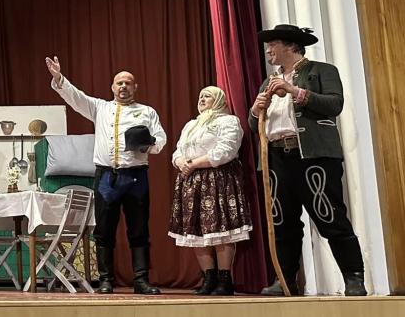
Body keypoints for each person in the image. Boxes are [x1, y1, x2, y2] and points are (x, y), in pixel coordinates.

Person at [249, 24, 366, 296]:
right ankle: (285, 280)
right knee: (282, 222)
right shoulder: (268, 82)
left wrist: (294, 91)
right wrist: (255, 110)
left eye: (273, 44)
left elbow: (334, 105)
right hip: (277, 157)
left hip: (313, 156)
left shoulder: (322, 71)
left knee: (330, 216)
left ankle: (353, 277)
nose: (268, 49)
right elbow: (254, 125)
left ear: (291, 45)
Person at [45, 56, 166, 295]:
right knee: (104, 230)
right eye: (119, 83)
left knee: (139, 229)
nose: (123, 86)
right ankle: (106, 280)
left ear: (135, 87)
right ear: (112, 87)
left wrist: (149, 144)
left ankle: (141, 280)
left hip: (136, 177)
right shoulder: (100, 107)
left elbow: (161, 138)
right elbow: (76, 97)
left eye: (128, 83)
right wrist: (59, 77)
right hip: (106, 178)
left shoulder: (147, 112)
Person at [168, 86, 253, 295]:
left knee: (221, 230)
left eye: (208, 96)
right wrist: (181, 162)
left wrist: (194, 164)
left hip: (217, 179)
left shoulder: (228, 121)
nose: (202, 99)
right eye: (200, 96)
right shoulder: (192, 124)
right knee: (197, 231)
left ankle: (225, 279)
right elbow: (178, 150)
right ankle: (209, 277)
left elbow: (226, 150)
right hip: (191, 181)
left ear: (219, 100)